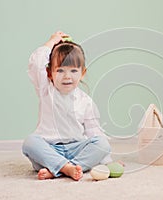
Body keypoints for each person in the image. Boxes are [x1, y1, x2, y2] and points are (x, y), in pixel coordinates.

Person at [22, 31, 112, 181]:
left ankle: (60, 169)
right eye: (60, 70)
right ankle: (66, 167)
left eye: (73, 71)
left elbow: (94, 132)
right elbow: (36, 63)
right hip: (50, 149)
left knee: (103, 144)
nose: (67, 76)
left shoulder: (86, 101)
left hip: (76, 149)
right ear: (50, 73)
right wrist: (51, 42)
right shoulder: (46, 91)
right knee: (30, 142)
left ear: (82, 73)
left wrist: (106, 160)